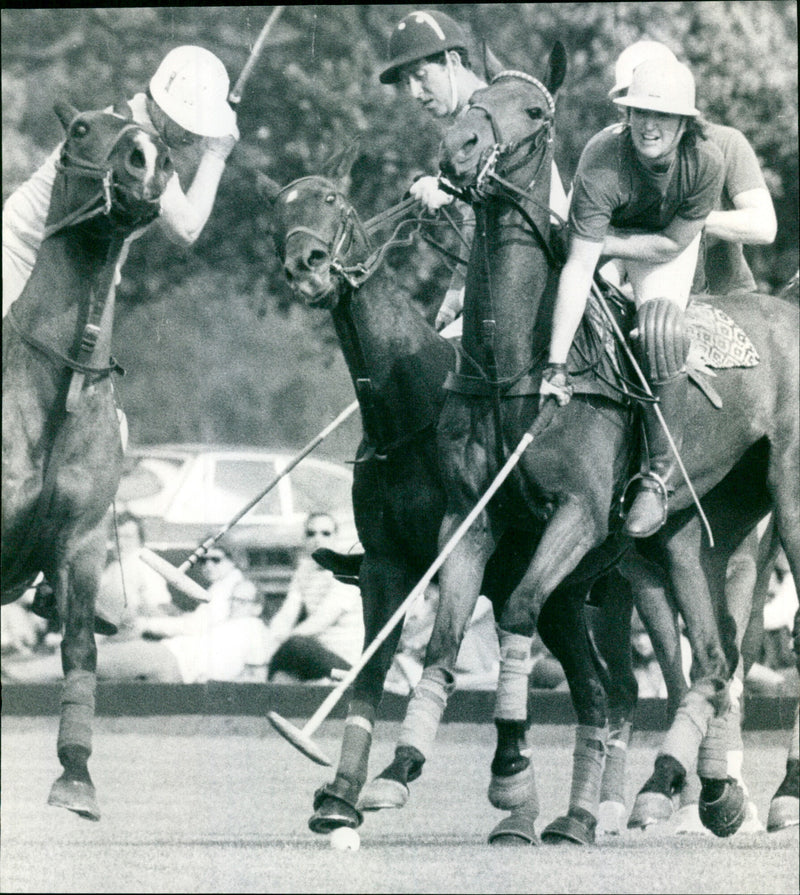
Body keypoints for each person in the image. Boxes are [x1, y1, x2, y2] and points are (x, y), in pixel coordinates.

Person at [541, 56, 725, 538]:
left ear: (685, 123)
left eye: (662, 116)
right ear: (627, 115)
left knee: (662, 328)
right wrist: (555, 364)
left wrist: (606, 244)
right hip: (601, 239)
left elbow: (670, 245)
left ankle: (657, 479)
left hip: (661, 243)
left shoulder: (706, 162)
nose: (649, 125)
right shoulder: (602, 155)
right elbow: (579, 265)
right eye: (640, 112)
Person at [3, 44, 239, 316]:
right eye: (189, 126)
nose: (196, 137)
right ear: (161, 107)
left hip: (73, 280)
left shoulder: (137, 121)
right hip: (19, 257)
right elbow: (186, 230)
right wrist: (216, 156)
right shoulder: (138, 140)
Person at [378, 9, 570, 335]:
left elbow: (535, 221)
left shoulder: (499, 123)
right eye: (406, 81)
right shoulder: (464, 129)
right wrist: (453, 299)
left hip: (539, 291)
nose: (413, 91)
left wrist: (447, 188)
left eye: (420, 75)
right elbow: (476, 231)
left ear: (453, 62)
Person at [607, 40, 777, 295]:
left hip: (726, 297)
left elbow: (764, 226)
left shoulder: (725, 142)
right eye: (635, 105)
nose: (646, 118)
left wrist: (688, 219)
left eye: (658, 106)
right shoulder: (616, 153)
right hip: (643, 294)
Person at [4, 544, 268, 684]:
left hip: (170, 660)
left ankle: (12, 674)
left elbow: (258, 676)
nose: (237, 605)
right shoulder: (229, 609)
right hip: (170, 657)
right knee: (96, 652)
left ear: (258, 607)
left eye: (244, 601)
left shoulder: (254, 627)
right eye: (236, 600)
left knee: (89, 656)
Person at [265, 513, 364, 683]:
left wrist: (283, 643)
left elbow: (322, 620)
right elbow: (287, 612)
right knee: (282, 669)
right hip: (314, 657)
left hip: (346, 661)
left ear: (336, 538)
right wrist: (269, 638)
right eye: (311, 534)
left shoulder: (347, 570)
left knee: (294, 646)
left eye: (326, 533)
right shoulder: (305, 571)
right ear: (304, 539)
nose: (317, 539)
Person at [96, 511, 175, 641]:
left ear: (140, 540)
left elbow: (159, 608)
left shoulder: (145, 565)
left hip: (136, 637)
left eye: (128, 537)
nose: (120, 542)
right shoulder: (112, 567)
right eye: (116, 536)